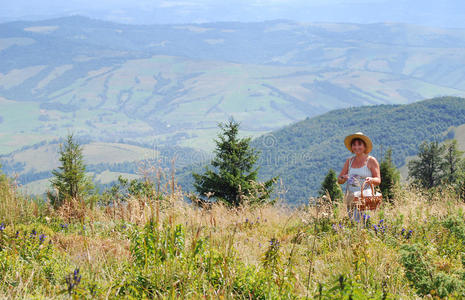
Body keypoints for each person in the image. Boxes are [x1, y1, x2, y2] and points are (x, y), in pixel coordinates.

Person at [337, 132, 381, 219]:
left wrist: (371, 179)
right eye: (354, 145)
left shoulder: (371, 160)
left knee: (365, 223)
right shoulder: (349, 161)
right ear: (352, 148)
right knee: (353, 223)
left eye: (359, 144)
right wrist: (344, 178)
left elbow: (378, 180)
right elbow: (339, 180)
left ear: (365, 147)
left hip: (366, 199)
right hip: (351, 198)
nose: (357, 147)